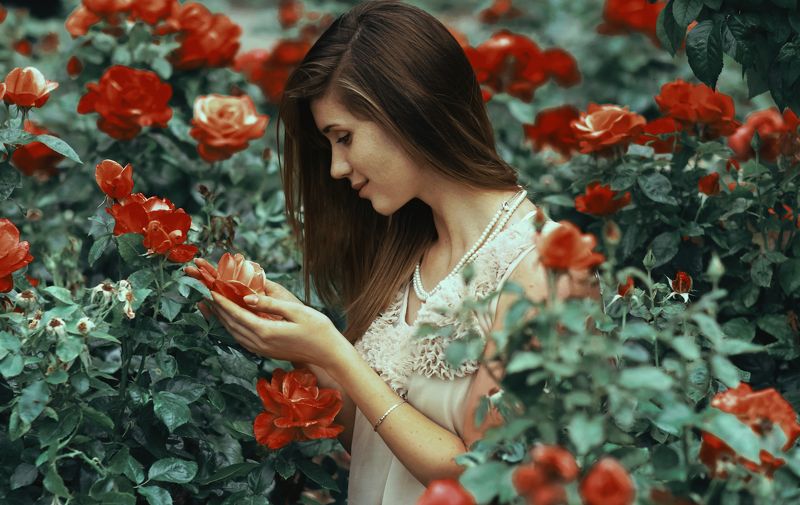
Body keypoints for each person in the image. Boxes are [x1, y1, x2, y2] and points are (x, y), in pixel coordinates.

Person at [203, 1, 594, 503]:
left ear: (408, 110)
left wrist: (336, 353)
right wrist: (296, 340)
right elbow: (374, 445)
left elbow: (483, 472)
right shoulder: (407, 250)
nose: (337, 170)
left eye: (344, 138)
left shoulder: (543, 265)